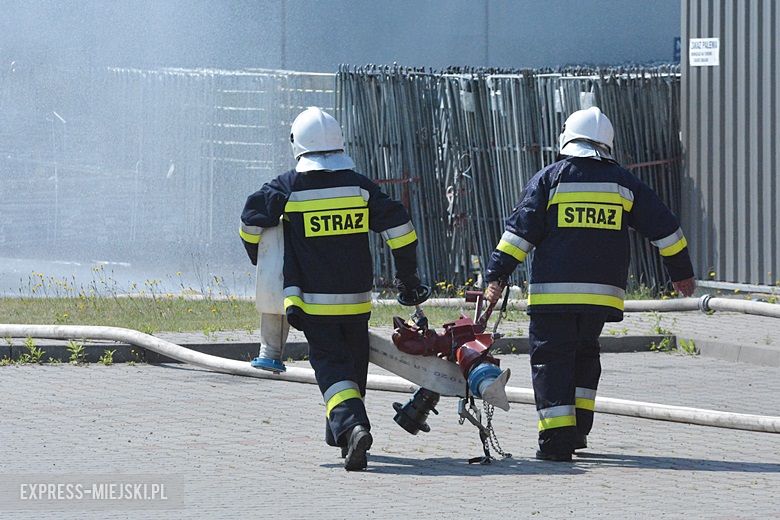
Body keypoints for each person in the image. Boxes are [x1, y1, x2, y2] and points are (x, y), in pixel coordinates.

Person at [483, 107, 695, 462]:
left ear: (567, 137)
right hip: (601, 297)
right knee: (585, 353)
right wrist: (681, 275)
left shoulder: (551, 179)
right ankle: (579, 428)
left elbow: (519, 235)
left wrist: (496, 275)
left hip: (555, 297)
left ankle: (556, 442)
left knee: (552, 360)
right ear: (606, 143)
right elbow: (666, 230)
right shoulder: (625, 184)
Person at [239, 107, 424, 471]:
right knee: (353, 369)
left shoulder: (287, 187)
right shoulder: (359, 186)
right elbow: (401, 228)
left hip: (310, 303)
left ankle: (353, 427)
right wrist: (408, 279)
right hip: (356, 302)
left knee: (332, 368)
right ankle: (342, 434)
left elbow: (250, 224)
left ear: (298, 144)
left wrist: (261, 260)